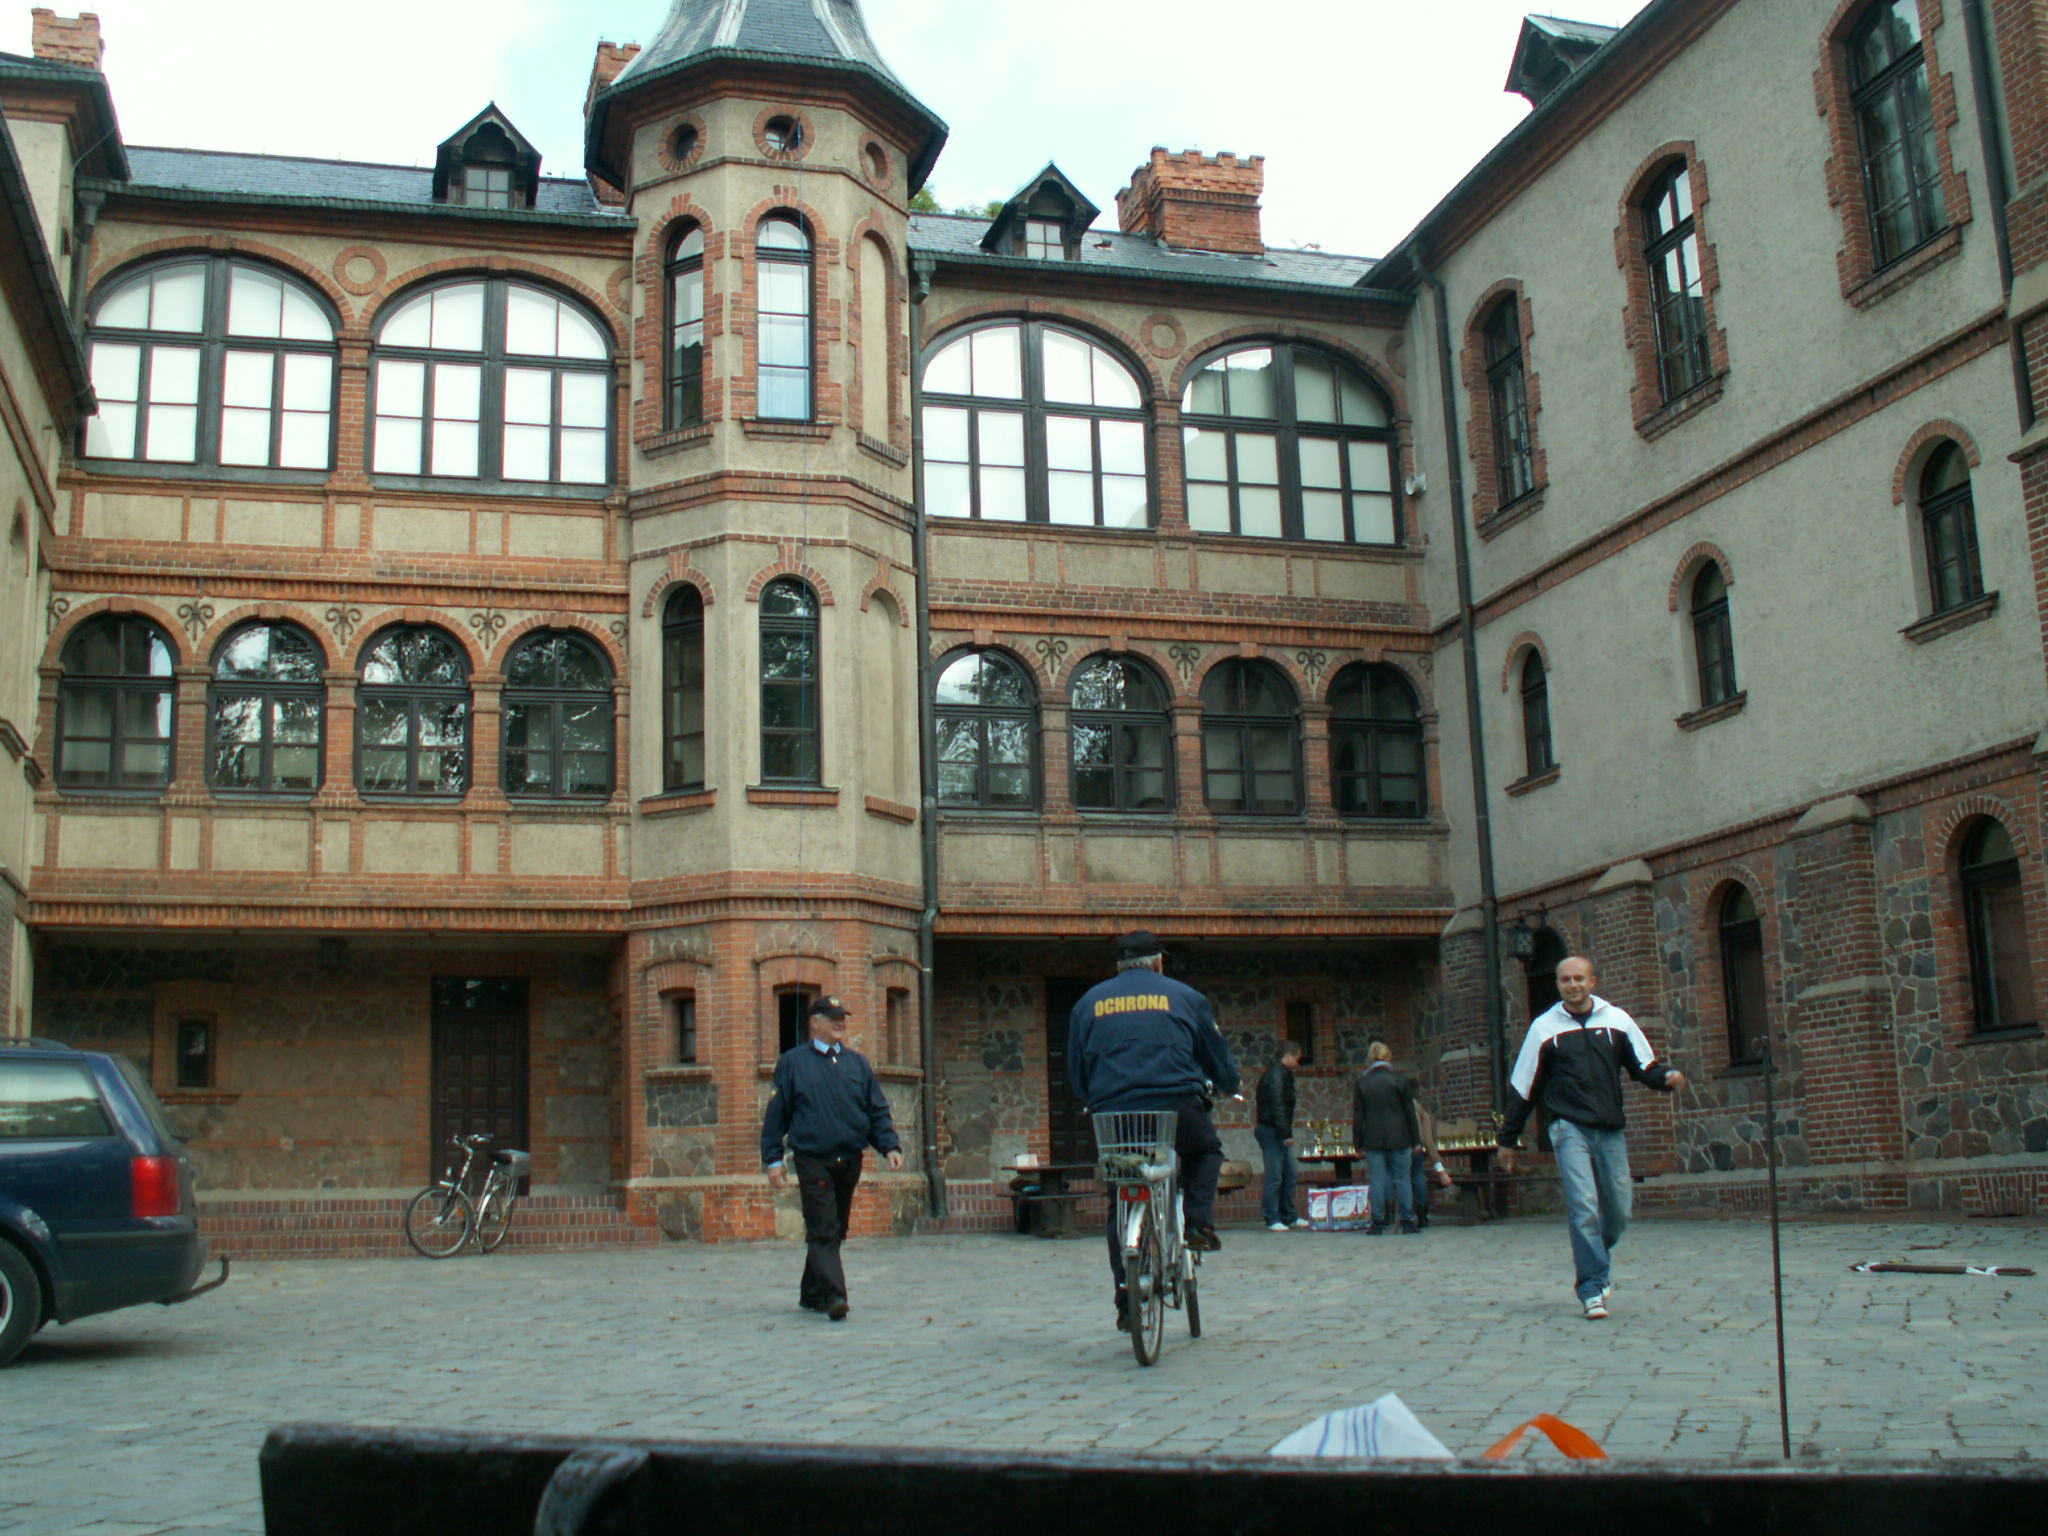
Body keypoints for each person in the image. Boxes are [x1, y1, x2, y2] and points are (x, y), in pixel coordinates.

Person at [1496, 954, 1685, 1320]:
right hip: (1568, 1128)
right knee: (1583, 1205)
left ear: (1593, 982)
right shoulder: (1543, 1028)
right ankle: (1591, 1289)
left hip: (1609, 1129)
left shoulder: (1617, 1020)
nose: (1573, 985)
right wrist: (1508, 1139)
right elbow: (1523, 1087)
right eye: (1566, 979)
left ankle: (1598, 1257)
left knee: (1619, 1211)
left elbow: (1643, 1066)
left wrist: (1666, 1078)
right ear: (1558, 984)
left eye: (1579, 978)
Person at [1068, 930, 1241, 1329]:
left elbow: (1076, 1069)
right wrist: (1230, 1083)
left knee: (1120, 1193)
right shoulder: (1185, 996)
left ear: (1119, 965)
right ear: (1159, 962)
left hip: (1115, 1113)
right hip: (1176, 1106)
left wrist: (1092, 1097)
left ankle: (1125, 1299)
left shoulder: (1088, 1003)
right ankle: (1198, 1223)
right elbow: (1214, 1053)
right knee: (1204, 1152)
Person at [760, 994, 903, 1322]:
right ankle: (835, 1296)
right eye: (832, 1017)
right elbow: (777, 1115)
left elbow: (876, 1109)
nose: (840, 1023)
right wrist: (773, 1159)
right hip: (813, 1159)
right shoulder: (793, 1063)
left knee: (836, 1228)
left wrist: (889, 1147)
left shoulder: (857, 1064)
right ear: (815, 1022)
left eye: (842, 1017)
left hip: (849, 1158)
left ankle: (812, 1293)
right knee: (823, 1229)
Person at [1351, 1041, 1420, 1234]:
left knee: (1377, 1179)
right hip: (1401, 1135)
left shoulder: (1362, 1082)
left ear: (1370, 1058)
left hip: (1372, 1137)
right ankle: (1407, 1220)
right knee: (1403, 1178)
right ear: (1388, 1057)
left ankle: (1378, 1222)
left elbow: (1358, 1115)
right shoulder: (1400, 1080)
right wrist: (1416, 1140)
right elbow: (1410, 1113)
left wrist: (1357, 1143)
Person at [1254, 1040, 1309, 1232]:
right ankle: (1272, 1217)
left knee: (1289, 1174)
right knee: (1275, 1175)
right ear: (1288, 1056)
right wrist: (1286, 1133)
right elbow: (1277, 1105)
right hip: (1272, 1130)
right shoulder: (1276, 1076)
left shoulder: (1280, 1074)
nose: (1298, 1063)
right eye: (1296, 1058)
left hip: (1275, 1129)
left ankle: (1288, 1215)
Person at [1408, 1099, 1456, 1230]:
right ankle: (1422, 1215)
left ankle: (1396, 1216)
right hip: (1416, 1148)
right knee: (1418, 1175)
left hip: (1396, 1148)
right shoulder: (1422, 1112)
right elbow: (1429, 1143)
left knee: (1399, 1179)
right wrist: (1441, 1170)